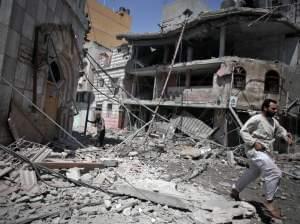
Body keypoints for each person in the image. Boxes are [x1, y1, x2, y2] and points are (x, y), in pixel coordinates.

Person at [231, 99, 293, 219]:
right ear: (265, 108)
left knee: (254, 172)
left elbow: (280, 131)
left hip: (265, 152)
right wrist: (254, 142)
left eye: (276, 109)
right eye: (273, 109)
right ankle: (269, 202)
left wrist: (286, 137)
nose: (276, 111)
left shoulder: (273, 121)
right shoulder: (257, 119)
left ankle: (235, 190)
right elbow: (243, 131)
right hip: (255, 150)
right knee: (275, 173)